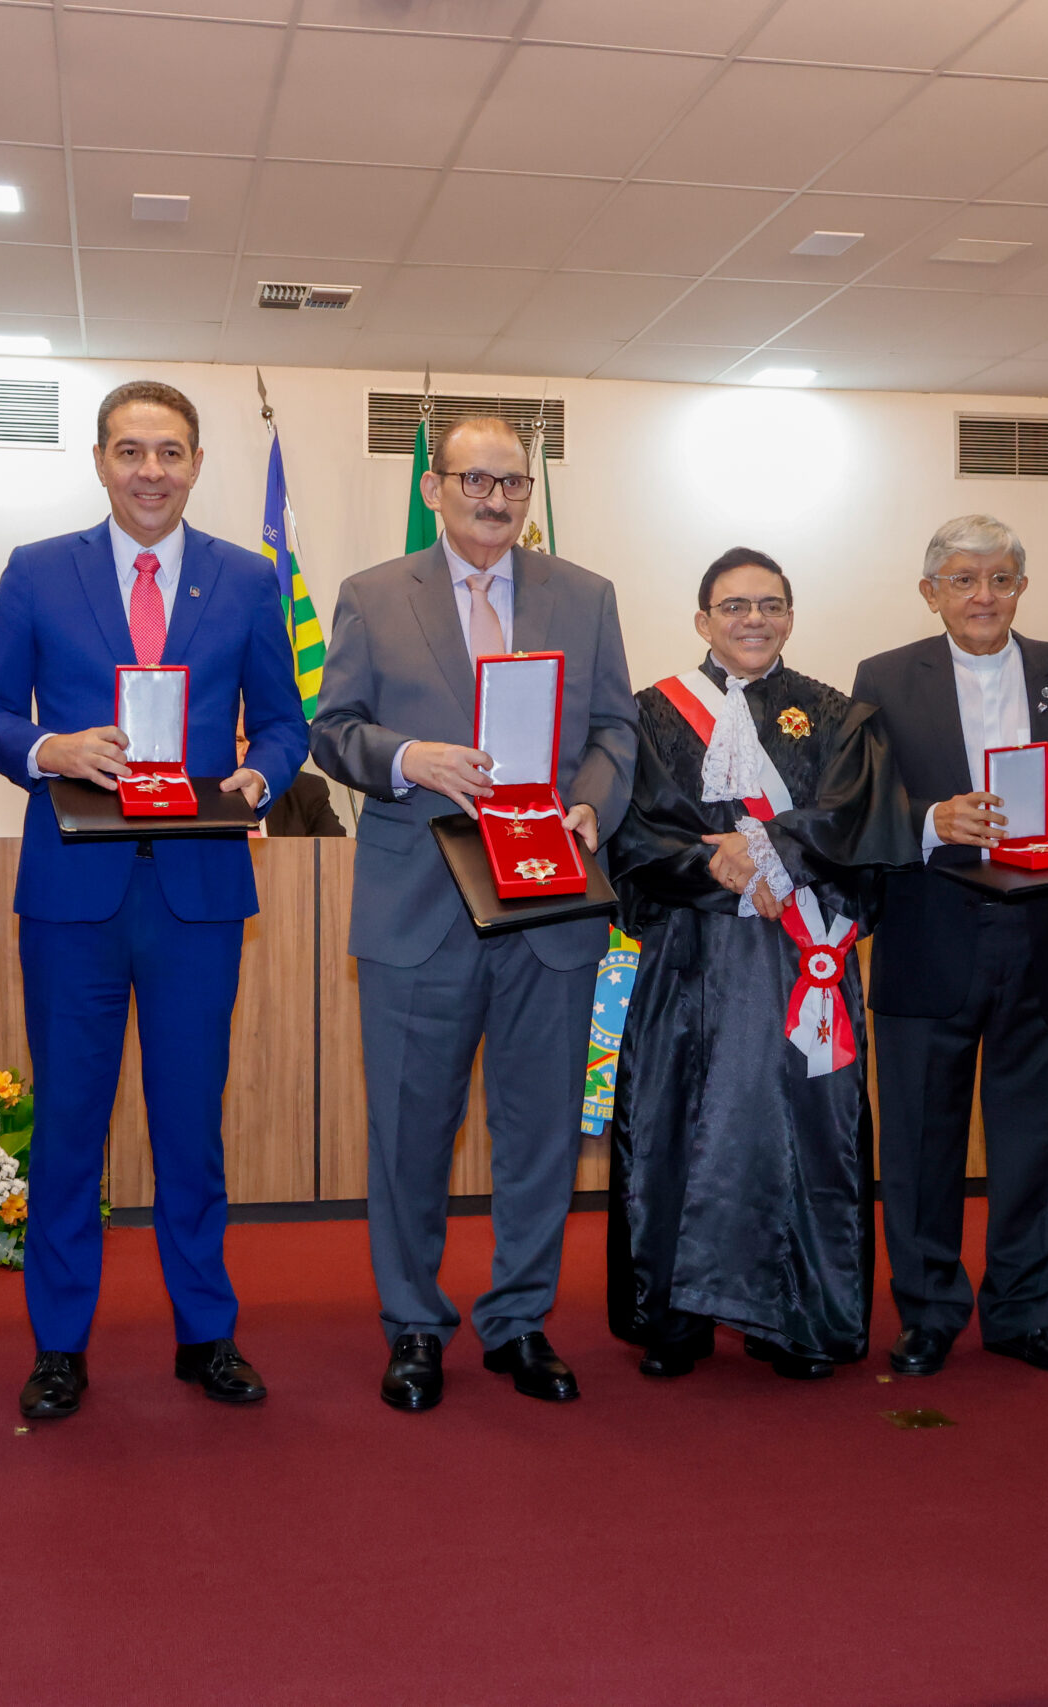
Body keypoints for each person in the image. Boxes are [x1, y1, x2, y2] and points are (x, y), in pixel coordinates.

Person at [0, 381, 308, 1424]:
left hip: (198, 892)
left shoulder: (247, 578)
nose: (149, 471)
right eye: (129, 451)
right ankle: (59, 1344)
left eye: (169, 452)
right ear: (100, 461)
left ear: (196, 463)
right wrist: (49, 748)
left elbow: (284, 723)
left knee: (190, 1127)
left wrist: (260, 777)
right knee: (69, 1126)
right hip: (74, 893)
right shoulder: (36, 570)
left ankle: (205, 1332)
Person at [311, 411, 635, 1412]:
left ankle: (520, 1321)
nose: (495, 500)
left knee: (541, 1134)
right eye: (475, 481)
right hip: (419, 906)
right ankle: (414, 1324)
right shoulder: (372, 595)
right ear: (433, 488)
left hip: (552, 903)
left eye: (512, 482)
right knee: (409, 1133)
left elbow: (616, 729)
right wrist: (410, 758)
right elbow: (334, 731)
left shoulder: (585, 595)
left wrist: (593, 803)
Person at [605, 549, 915, 1382]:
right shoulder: (649, 715)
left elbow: (856, 820)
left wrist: (771, 849)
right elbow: (636, 829)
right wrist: (720, 865)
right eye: (734, 605)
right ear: (702, 619)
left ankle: (797, 1319)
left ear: (790, 616)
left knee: (803, 1135)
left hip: (800, 961)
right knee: (674, 1124)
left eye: (770, 605)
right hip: (690, 959)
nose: (754, 619)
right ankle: (675, 1320)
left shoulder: (840, 716)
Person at [851, 516, 1048, 1381]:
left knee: (1036, 1144)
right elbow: (858, 804)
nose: (984, 595)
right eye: (964, 579)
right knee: (920, 1144)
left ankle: (1022, 1311)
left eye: (1001, 578)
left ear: (1022, 587)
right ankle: (929, 1311)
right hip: (928, 934)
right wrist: (930, 820)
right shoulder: (883, 678)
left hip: (1045, 935)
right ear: (929, 592)